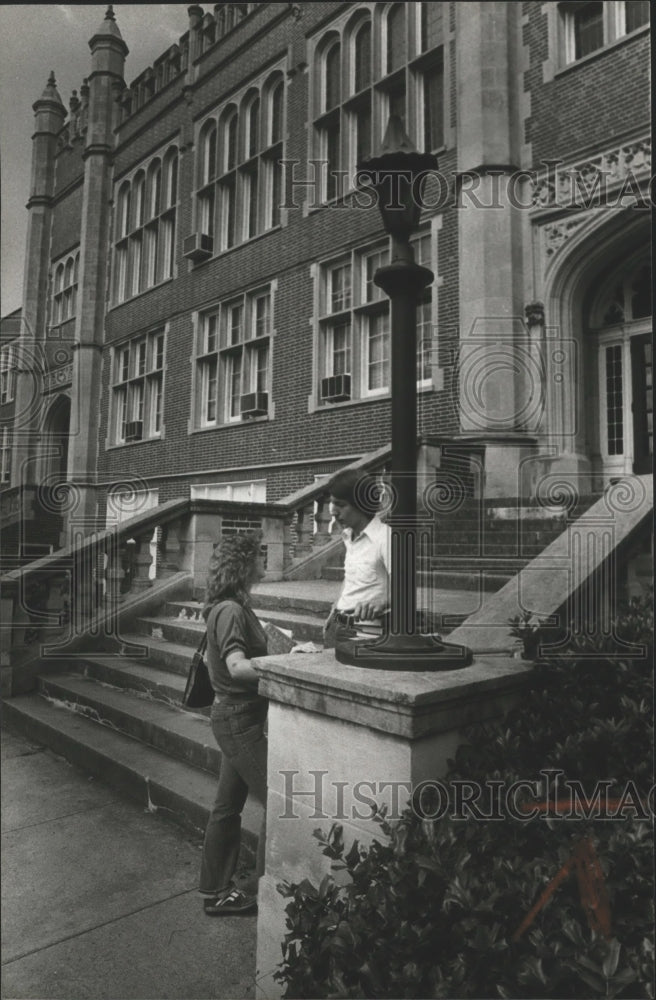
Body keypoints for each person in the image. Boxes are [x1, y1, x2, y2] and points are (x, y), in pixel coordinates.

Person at [198, 530, 268, 916]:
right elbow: (237, 666)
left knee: (227, 806)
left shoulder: (234, 606)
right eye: (260, 555)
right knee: (280, 798)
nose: (265, 560)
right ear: (244, 565)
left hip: (238, 718)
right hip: (238, 720)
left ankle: (216, 890)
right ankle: (275, 888)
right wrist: (280, 669)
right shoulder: (230, 611)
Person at [323, 468, 391, 648]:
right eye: (332, 503)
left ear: (361, 504)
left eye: (341, 504)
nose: (333, 512)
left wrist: (382, 601)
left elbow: (407, 589)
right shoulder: (348, 536)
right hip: (336, 626)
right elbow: (351, 578)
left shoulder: (387, 538)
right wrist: (334, 610)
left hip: (364, 634)